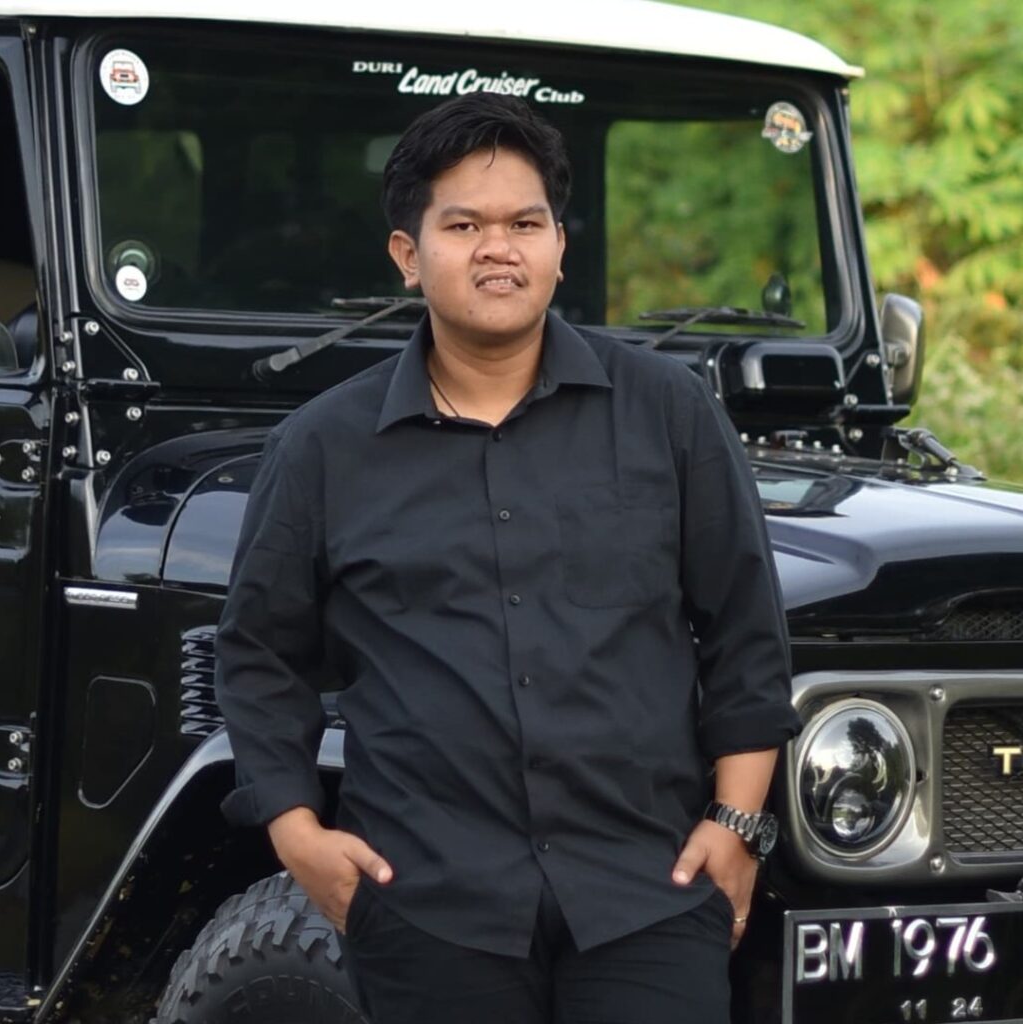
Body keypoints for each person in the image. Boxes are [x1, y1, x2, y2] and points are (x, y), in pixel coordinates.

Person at [215, 93, 801, 1024]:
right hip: (426, 909)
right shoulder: (322, 447)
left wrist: (736, 826)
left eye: (526, 223)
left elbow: (744, 627)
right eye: (464, 226)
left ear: (560, 245)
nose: (500, 248)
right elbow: (258, 653)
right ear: (408, 254)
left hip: (648, 894)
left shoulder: (669, 412)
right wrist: (297, 834)